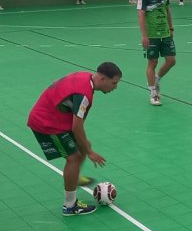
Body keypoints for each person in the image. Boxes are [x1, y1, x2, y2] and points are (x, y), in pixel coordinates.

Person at [27, 62, 122, 216]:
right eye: (114, 83)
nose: (115, 87)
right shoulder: (85, 95)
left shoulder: (84, 76)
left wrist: (87, 147)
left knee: (84, 144)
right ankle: (70, 206)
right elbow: (76, 127)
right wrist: (90, 152)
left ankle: (74, 179)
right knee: (74, 158)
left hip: (54, 117)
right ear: (103, 78)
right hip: (46, 123)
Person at [137, 0, 176, 106]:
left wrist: (171, 27)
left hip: (165, 33)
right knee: (152, 62)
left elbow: (167, 9)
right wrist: (144, 35)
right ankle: (153, 93)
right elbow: (141, 15)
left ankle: (157, 79)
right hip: (152, 35)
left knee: (171, 60)